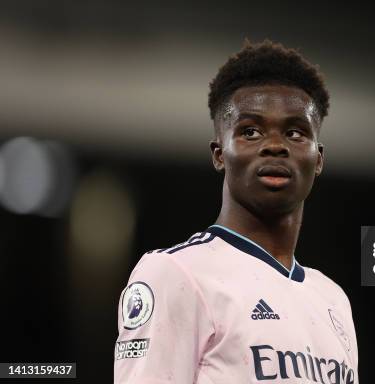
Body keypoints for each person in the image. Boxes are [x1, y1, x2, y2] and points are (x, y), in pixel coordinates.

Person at [114, 40, 358, 384]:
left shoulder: (333, 300)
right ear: (219, 153)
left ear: (318, 159)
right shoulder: (177, 274)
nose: (275, 145)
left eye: (295, 132)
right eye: (250, 131)